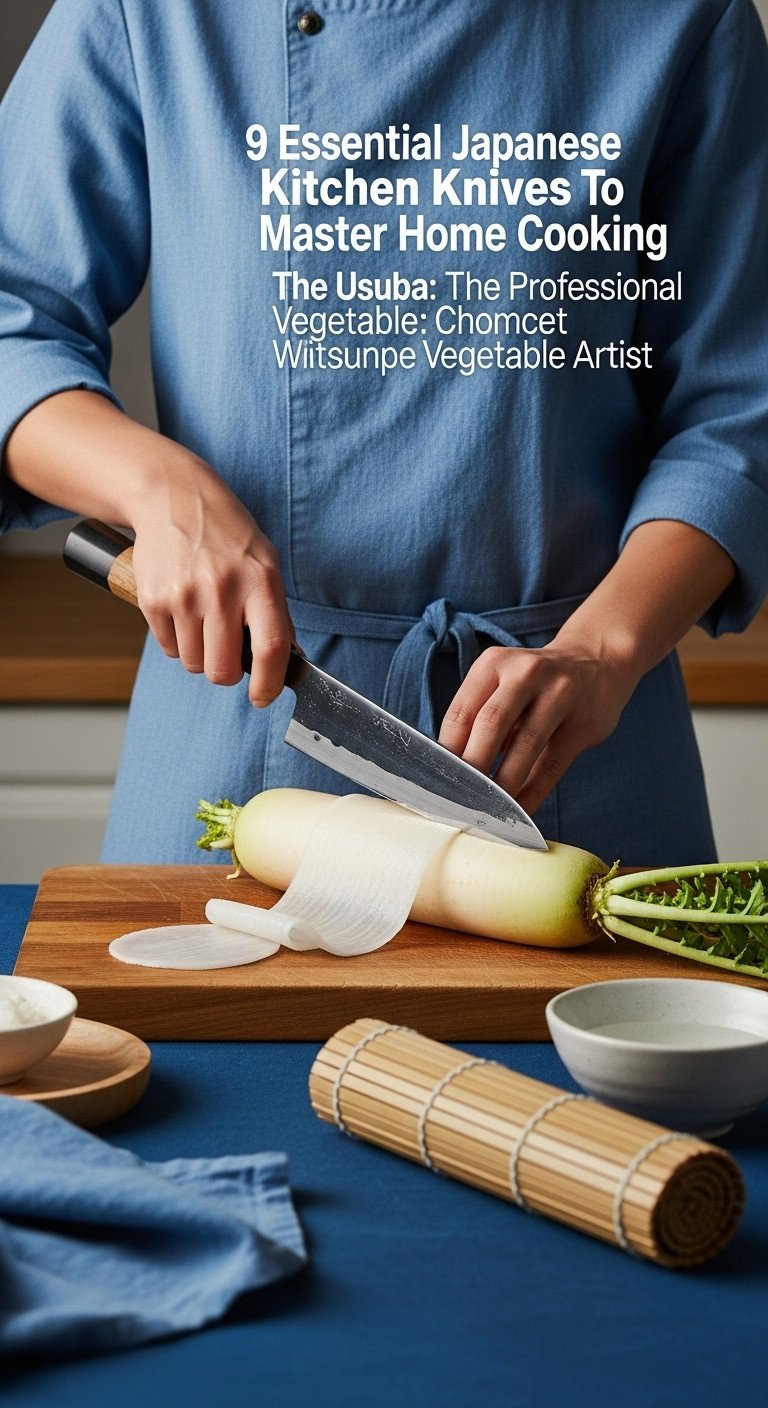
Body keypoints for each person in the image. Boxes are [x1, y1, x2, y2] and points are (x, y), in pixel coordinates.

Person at [0, 0, 766, 868]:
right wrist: (160, 489)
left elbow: (740, 411)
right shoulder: (151, 14)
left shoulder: (683, 19)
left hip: (569, 739)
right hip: (242, 713)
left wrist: (600, 654)